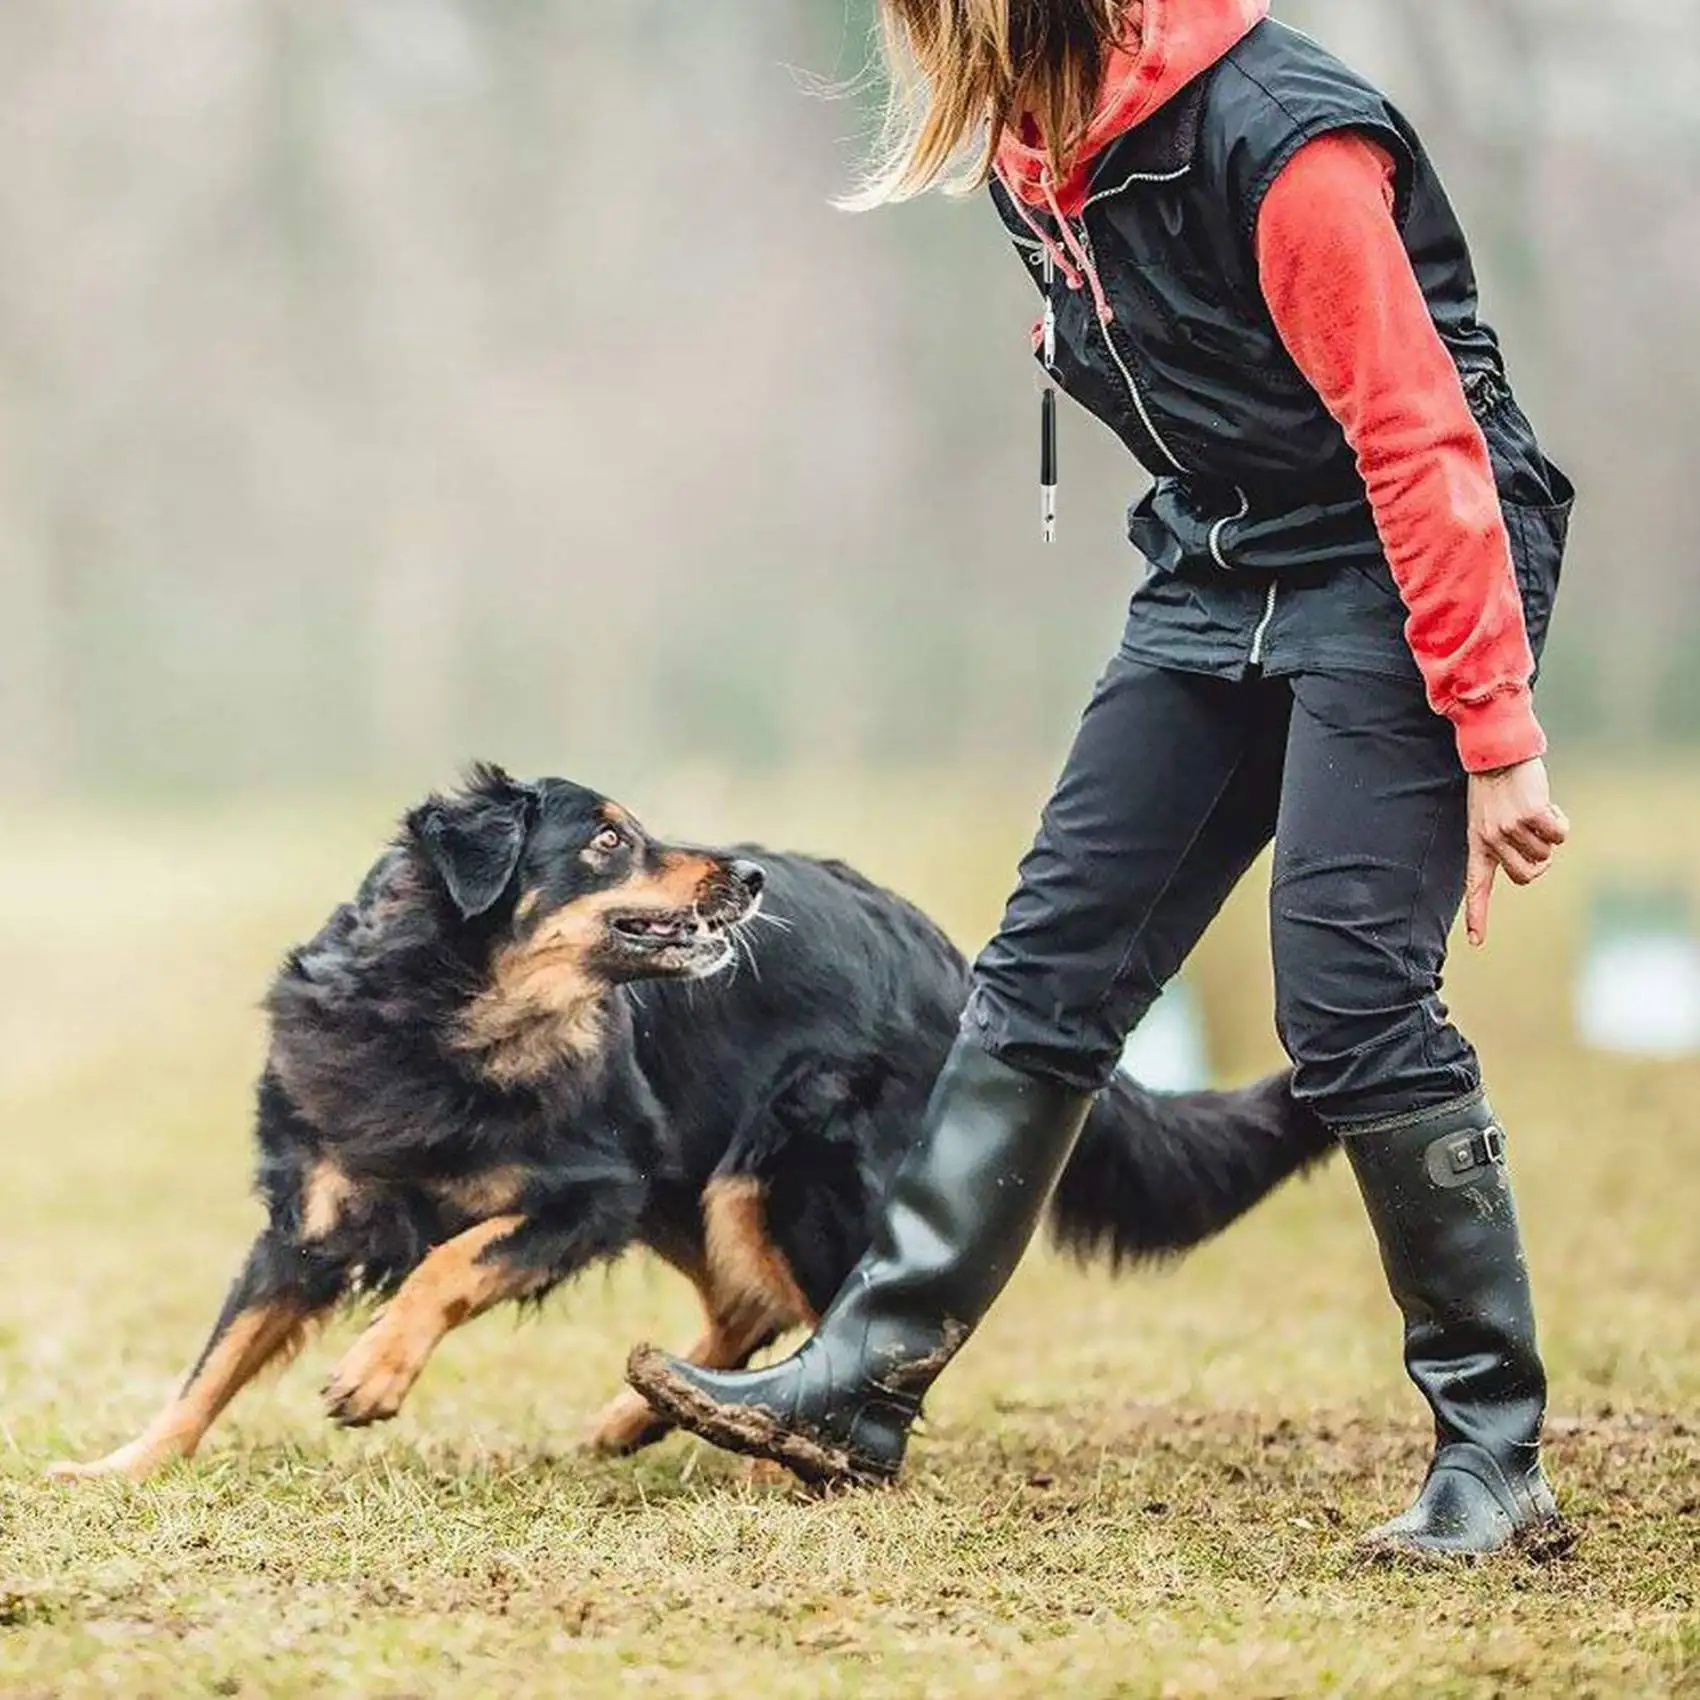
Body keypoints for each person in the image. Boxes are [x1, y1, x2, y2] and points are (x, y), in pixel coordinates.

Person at [629, 0, 1575, 1559]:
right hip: (1218, 563)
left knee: (1348, 1005)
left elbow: (1423, 444)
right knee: (1047, 967)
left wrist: (1494, 732)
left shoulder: (1288, 143)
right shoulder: (1037, 148)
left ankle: (1495, 1457)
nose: (923, 50)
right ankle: (863, 1381)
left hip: (1396, 568)